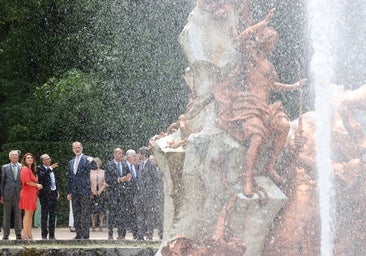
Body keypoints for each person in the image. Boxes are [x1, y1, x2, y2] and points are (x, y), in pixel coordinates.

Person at [214, 8, 305, 197]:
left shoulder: (268, 66)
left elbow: (272, 86)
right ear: (264, 40)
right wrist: (264, 22)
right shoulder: (251, 57)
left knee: (283, 125)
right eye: (271, 41)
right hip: (249, 106)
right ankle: (248, 180)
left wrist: (294, 86)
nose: (273, 45)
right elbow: (242, 38)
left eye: (275, 42)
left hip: (266, 108)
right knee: (256, 138)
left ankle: (270, 166)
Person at [66, 141, 94, 239]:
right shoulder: (70, 162)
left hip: (84, 190)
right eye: (75, 148)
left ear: (82, 148)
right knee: (76, 213)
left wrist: (92, 161)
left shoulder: (87, 159)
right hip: (74, 191)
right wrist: (68, 192)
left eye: (78, 147)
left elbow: (94, 167)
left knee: (85, 213)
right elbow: (69, 178)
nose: (77, 149)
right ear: (72, 149)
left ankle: (85, 235)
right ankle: (78, 234)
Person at [104, 147, 132, 240]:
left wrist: (129, 177)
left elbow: (128, 174)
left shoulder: (124, 164)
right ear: (114, 154)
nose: (122, 155)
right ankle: (110, 234)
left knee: (122, 214)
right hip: (113, 193)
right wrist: (119, 180)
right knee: (112, 214)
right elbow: (108, 180)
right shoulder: (109, 165)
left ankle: (121, 235)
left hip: (123, 193)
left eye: (122, 153)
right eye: (120, 153)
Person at [135, 147, 159, 240]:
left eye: (139, 153)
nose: (138, 155)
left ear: (143, 154)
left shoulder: (151, 165)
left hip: (149, 196)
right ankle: (140, 235)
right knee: (140, 216)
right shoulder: (141, 165)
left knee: (149, 216)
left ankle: (149, 235)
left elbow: (155, 180)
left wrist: (152, 193)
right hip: (140, 195)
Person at [19, 153, 43, 240]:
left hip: (32, 194)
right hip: (27, 194)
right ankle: (25, 234)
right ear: (24, 160)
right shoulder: (25, 169)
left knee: (30, 214)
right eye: (28, 158)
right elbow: (27, 182)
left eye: (31, 158)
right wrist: (37, 185)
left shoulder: (31, 170)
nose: (30, 159)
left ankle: (29, 234)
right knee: (27, 214)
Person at [0, 150, 23, 240]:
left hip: (18, 194)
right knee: (6, 215)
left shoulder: (22, 167)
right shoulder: (4, 167)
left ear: (18, 157)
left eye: (16, 155)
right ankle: (6, 234)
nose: (14, 156)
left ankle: (18, 234)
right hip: (7, 194)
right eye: (12, 155)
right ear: (9, 157)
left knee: (18, 214)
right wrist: (1, 195)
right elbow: (2, 182)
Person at [37, 154, 59, 240]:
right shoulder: (39, 168)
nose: (49, 160)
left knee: (53, 215)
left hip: (53, 193)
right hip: (45, 194)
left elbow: (54, 181)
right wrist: (50, 169)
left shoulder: (51, 169)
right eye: (47, 159)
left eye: (49, 158)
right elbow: (42, 176)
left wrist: (57, 191)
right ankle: (44, 235)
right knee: (44, 214)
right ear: (43, 161)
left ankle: (52, 235)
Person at [124, 149, 139, 239]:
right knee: (126, 214)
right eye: (134, 156)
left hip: (136, 194)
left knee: (135, 214)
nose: (136, 157)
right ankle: (122, 235)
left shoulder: (137, 166)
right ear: (128, 157)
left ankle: (136, 234)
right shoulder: (123, 165)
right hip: (126, 194)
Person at [90, 157, 107, 232]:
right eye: (95, 162)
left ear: (100, 163)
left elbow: (105, 182)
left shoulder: (103, 172)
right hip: (92, 192)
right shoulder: (90, 172)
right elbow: (88, 182)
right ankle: (93, 224)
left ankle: (101, 224)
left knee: (101, 209)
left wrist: (100, 190)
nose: (96, 164)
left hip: (101, 192)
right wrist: (93, 190)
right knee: (93, 209)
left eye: (98, 162)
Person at [150, 154, 164, 240]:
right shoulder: (151, 170)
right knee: (154, 215)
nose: (152, 162)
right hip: (153, 196)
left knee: (161, 215)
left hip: (162, 195)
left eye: (153, 160)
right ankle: (153, 233)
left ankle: (162, 232)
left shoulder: (162, 169)